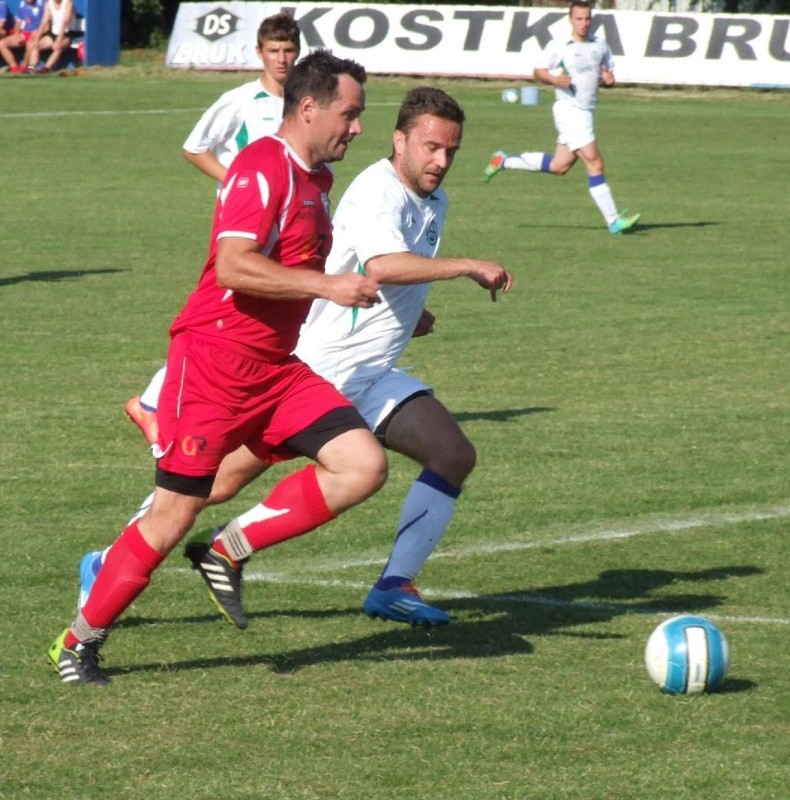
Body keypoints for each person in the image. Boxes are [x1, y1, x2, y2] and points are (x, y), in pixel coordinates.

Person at [79, 86, 513, 632]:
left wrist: (412, 313)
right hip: (323, 367)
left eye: (450, 151)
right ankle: (106, 562)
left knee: (452, 453)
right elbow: (382, 265)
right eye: (430, 147)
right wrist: (466, 265)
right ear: (399, 140)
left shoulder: (433, 201)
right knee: (208, 486)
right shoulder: (377, 190)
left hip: (373, 371)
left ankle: (393, 586)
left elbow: (381, 275)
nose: (440, 161)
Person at [48, 49, 386, 686]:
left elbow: (296, 277)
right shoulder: (262, 165)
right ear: (308, 107)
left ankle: (230, 548)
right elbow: (233, 266)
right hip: (211, 369)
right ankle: (78, 640)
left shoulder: (318, 182)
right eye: (351, 112)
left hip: (276, 371)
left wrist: (343, 291)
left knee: (363, 464)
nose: (357, 127)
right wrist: (326, 286)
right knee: (172, 515)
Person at [124, 11, 302, 441]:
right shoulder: (241, 101)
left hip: (288, 226)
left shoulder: (302, 103)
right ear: (258, 53)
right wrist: (240, 183)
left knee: (265, 317)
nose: (281, 59)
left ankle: (256, 400)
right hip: (243, 228)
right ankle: (150, 402)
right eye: (273, 51)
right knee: (222, 317)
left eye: (288, 51)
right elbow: (194, 148)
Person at [483, 0, 641, 235]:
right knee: (595, 163)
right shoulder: (561, 45)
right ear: (570, 20)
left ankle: (504, 160)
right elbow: (538, 71)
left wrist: (608, 80)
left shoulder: (600, 45)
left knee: (560, 166)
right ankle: (613, 220)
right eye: (579, 19)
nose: (584, 23)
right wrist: (556, 80)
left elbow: (606, 74)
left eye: (587, 18)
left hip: (586, 112)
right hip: (569, 111)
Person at [25, 0, 74, 73]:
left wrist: (58, 40)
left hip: (66, 34)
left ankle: (45, 69)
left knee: (58, 47)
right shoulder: (49, 3)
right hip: (53, 33)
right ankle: (31, 68)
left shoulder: (68, 3)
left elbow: (65, 22)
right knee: (35, 45)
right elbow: (44, 22)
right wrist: (36, 40)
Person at [0, 0, 44, 73]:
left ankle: (25, 67)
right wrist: (17, 33)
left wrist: (38, 33)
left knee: (30, 44)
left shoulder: (42, 4)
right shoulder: (22, 4)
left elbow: (46, 24)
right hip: (25, 32)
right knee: (2, 44)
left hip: (38, 33)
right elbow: (18, 21)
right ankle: (14, 68)